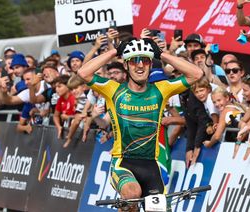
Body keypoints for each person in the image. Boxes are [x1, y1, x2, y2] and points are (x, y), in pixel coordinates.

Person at [77, 38, 202, 207]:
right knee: (132, 195)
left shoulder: (161, 89)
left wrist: (161, 54)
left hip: (151, 165)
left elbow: (197, 74)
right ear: (126, 66)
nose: (140, 66)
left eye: (145, 60)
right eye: (134, 61)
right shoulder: (114, 90)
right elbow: (83, 73)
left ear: (151, 65)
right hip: (123, 162)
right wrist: (115, 51)